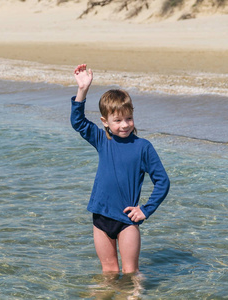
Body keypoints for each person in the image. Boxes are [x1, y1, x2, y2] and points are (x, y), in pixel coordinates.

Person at [71, 64, 170, 274]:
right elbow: (78, 122)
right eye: (117, 120)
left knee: (131, 273)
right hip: (100, 217)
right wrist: (82, 90)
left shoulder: (143, 147)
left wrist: (145, 209)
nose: (124, 125)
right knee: (108, 272)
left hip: (127, 220)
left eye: (128, 118)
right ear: (105, 122)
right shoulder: (101, 139)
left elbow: (163, 182)